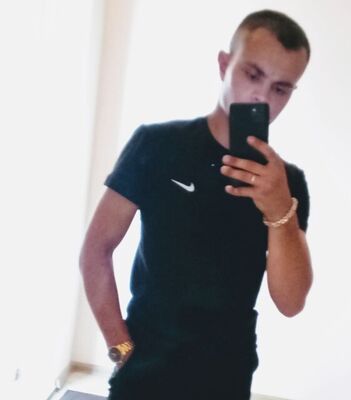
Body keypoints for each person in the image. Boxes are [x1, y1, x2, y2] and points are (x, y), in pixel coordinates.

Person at [80, 9, 313, 400]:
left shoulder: (286, 184)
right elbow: (95, 250)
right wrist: (119, 347)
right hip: (144, 370)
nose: (262, 96)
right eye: (253, 75)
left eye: (280, 89)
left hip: (226, 378)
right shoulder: (157, 145)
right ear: (224, 65)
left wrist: (279, 211)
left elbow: (291, 302)